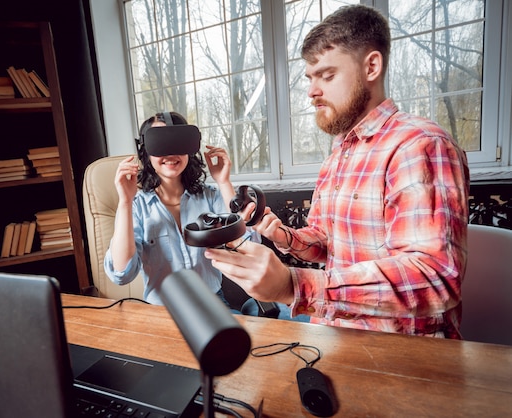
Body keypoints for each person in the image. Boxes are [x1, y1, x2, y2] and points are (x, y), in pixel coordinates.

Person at [204, 4, 470, 338]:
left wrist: (293, 285)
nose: (312, 92)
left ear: (371, 66)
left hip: (403, 356)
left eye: (327, 76)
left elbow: (435, 278)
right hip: (337, 333)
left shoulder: (419, 145)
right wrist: (283, 235)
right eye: (310, 79)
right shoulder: (340, 152)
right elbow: (329, 243)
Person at [104, 111, 250, 306]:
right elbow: (121, 274)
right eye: (161, 144)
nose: (170, 154)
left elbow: (246, 246)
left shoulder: (210, 197)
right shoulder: (136, 207)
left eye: (177, 143)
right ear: (146, 152)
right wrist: (125, 202)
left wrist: (224, 182)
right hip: (162, 311)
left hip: (212, 303)